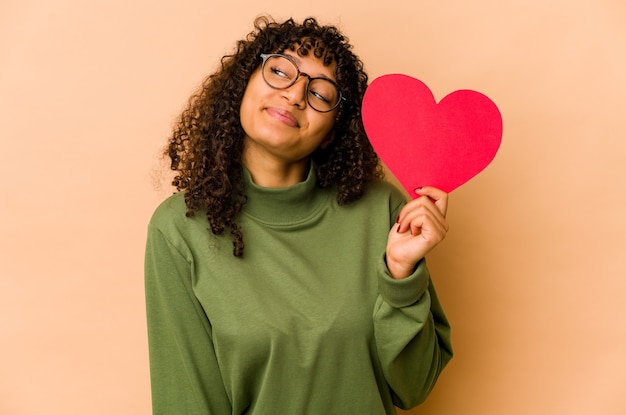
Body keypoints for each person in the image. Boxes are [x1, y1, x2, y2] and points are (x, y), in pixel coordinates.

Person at [144, 15, 453, 415]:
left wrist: (400, 273)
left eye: (321, 94)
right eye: (279, 71)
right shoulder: (178, 229)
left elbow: (414, 387)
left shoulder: (384, 211)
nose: (294, 95)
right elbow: (184, 400)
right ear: (243, 82)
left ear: (334, 129)